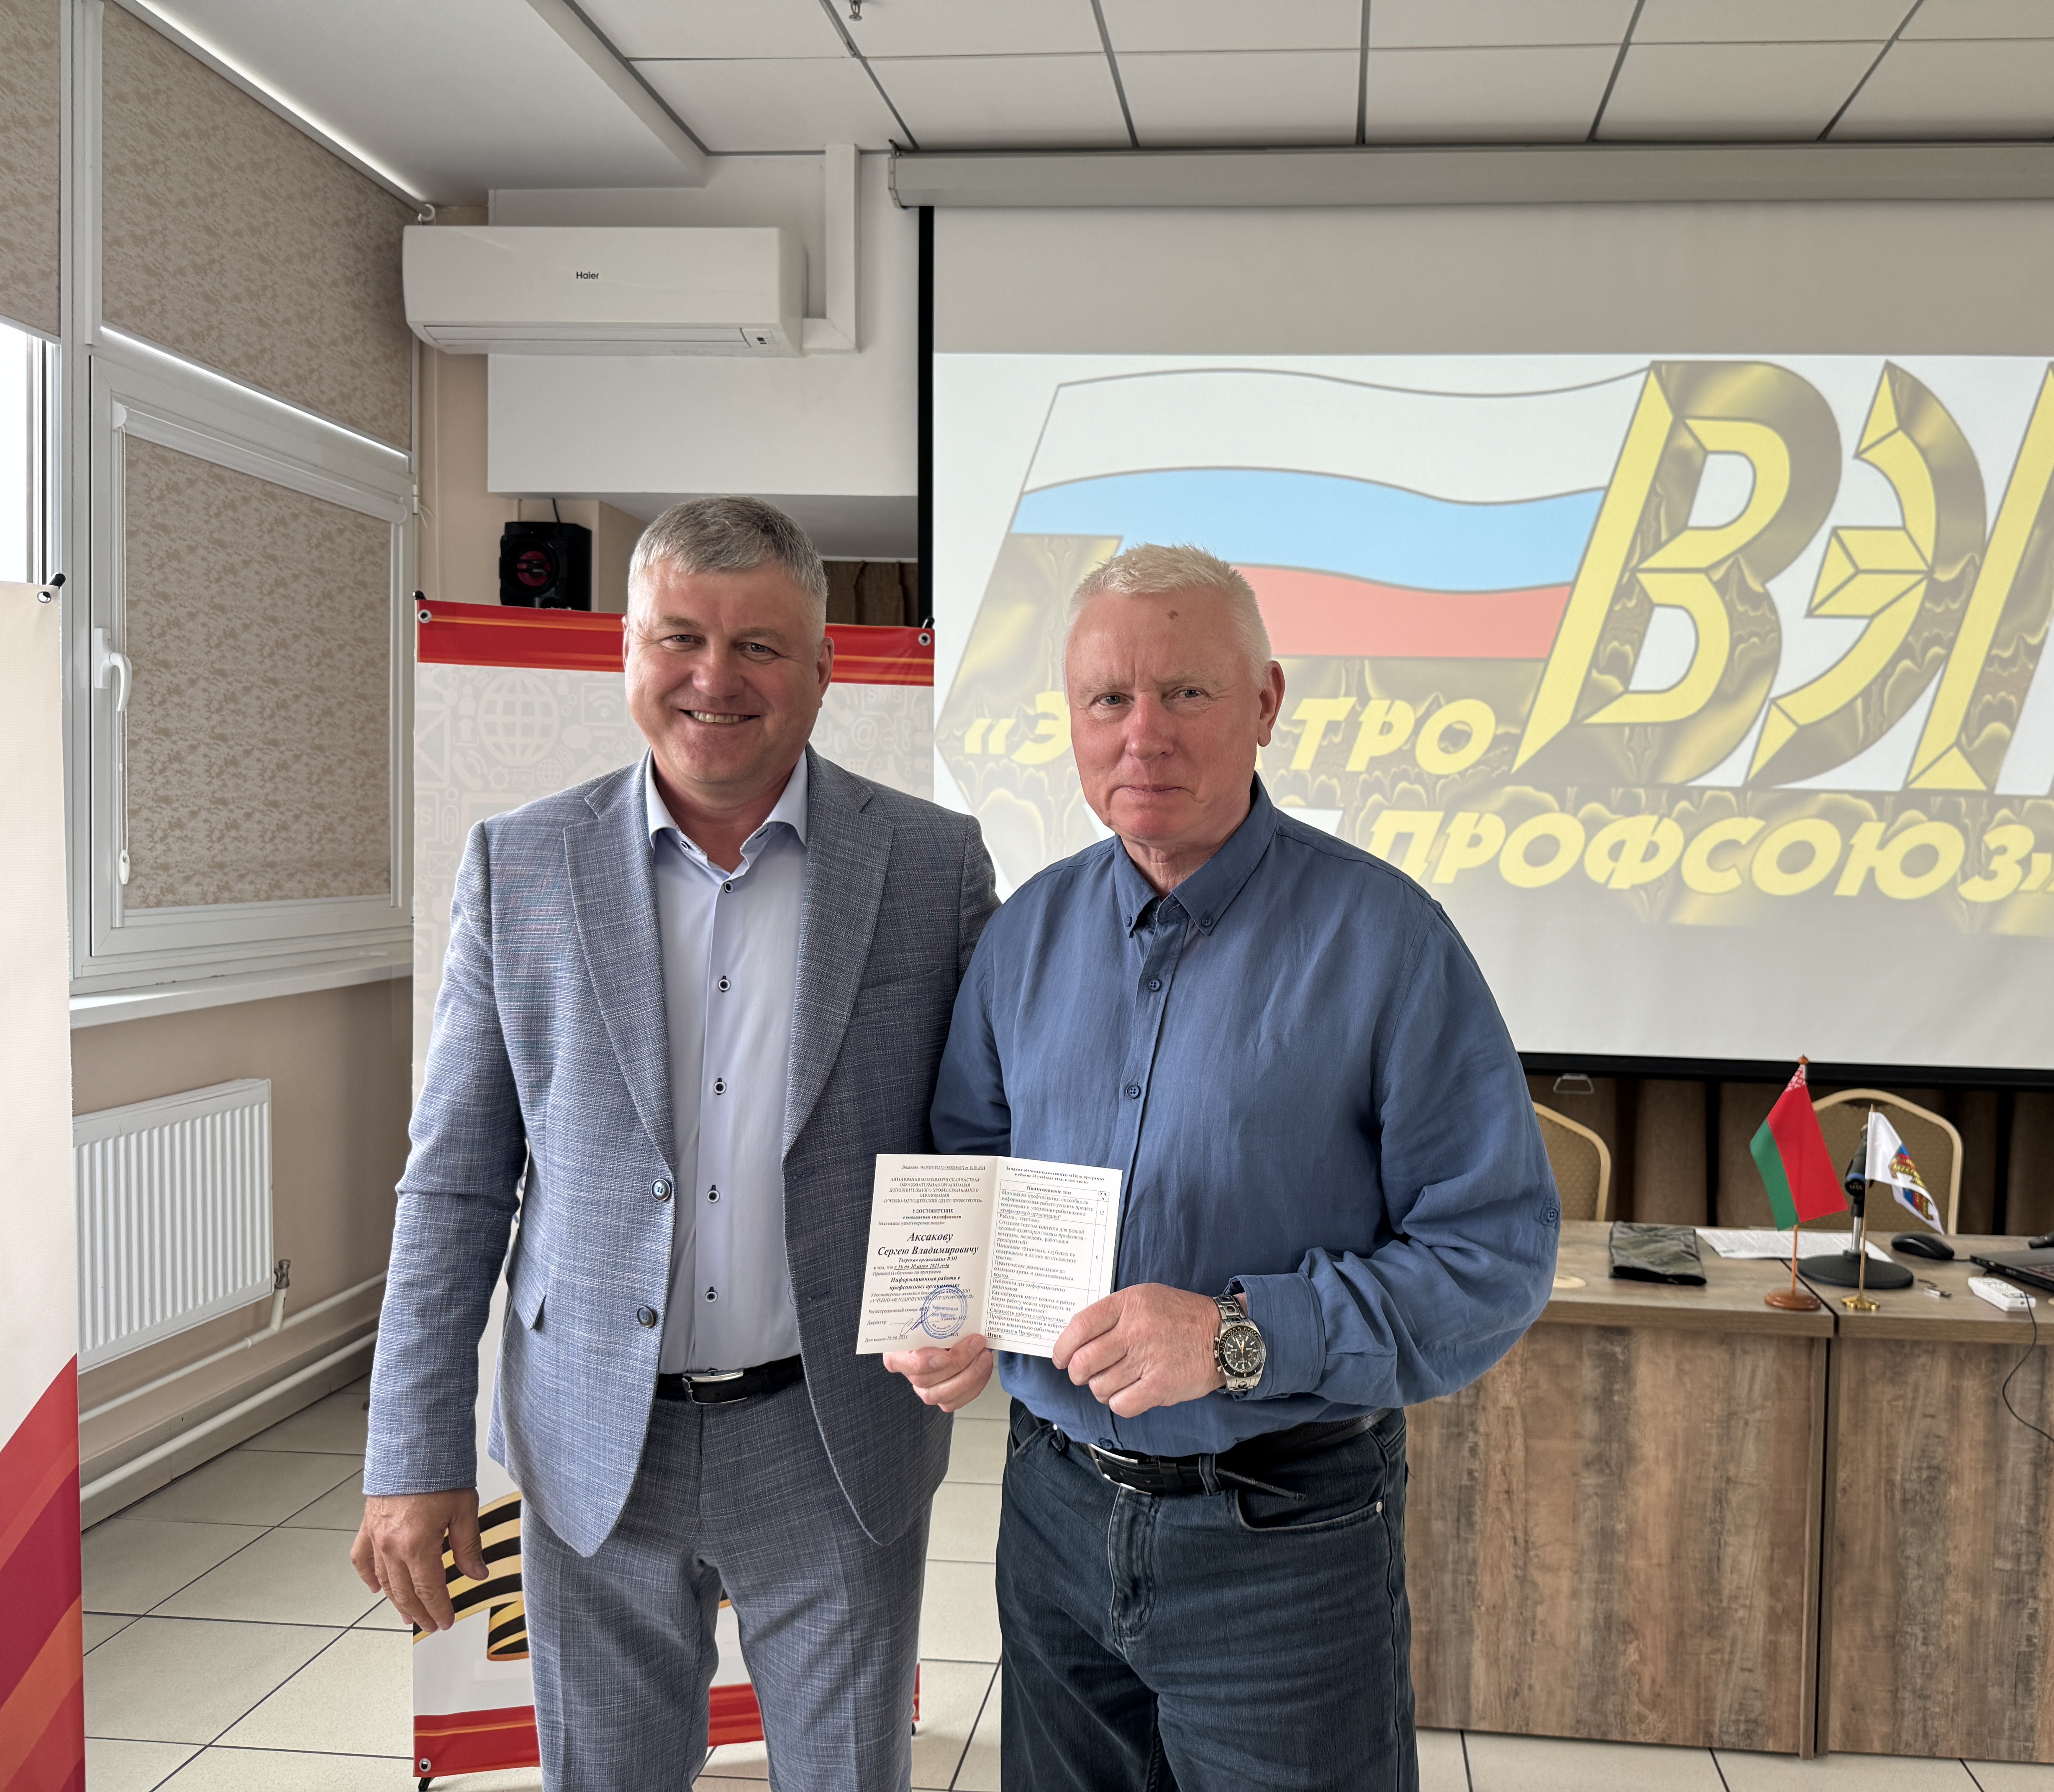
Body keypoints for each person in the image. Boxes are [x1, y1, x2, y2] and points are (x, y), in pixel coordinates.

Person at [888, 543, 1560, 1789]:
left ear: (1266, 702)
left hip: (1284, 1542)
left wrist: (1237, 1336)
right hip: (1053, 1518)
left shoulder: (1389, 943)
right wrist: (954, 1315)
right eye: (1108, 698)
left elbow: (1492, 1259)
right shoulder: (1023, 937)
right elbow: (972, 1173)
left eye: (1186, 692)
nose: (1142, 733)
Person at [356, 497, 995, 1791]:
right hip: (593, 1434)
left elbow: (977, 1128)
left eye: (760, 644)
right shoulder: (520, 865)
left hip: (833, 1436)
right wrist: (413, 1453)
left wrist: (977, 1302)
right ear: (628, 653)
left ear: (823, 667)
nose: (717, 676)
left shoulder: (932, 865)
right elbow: (456, 1182)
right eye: (681, 637)